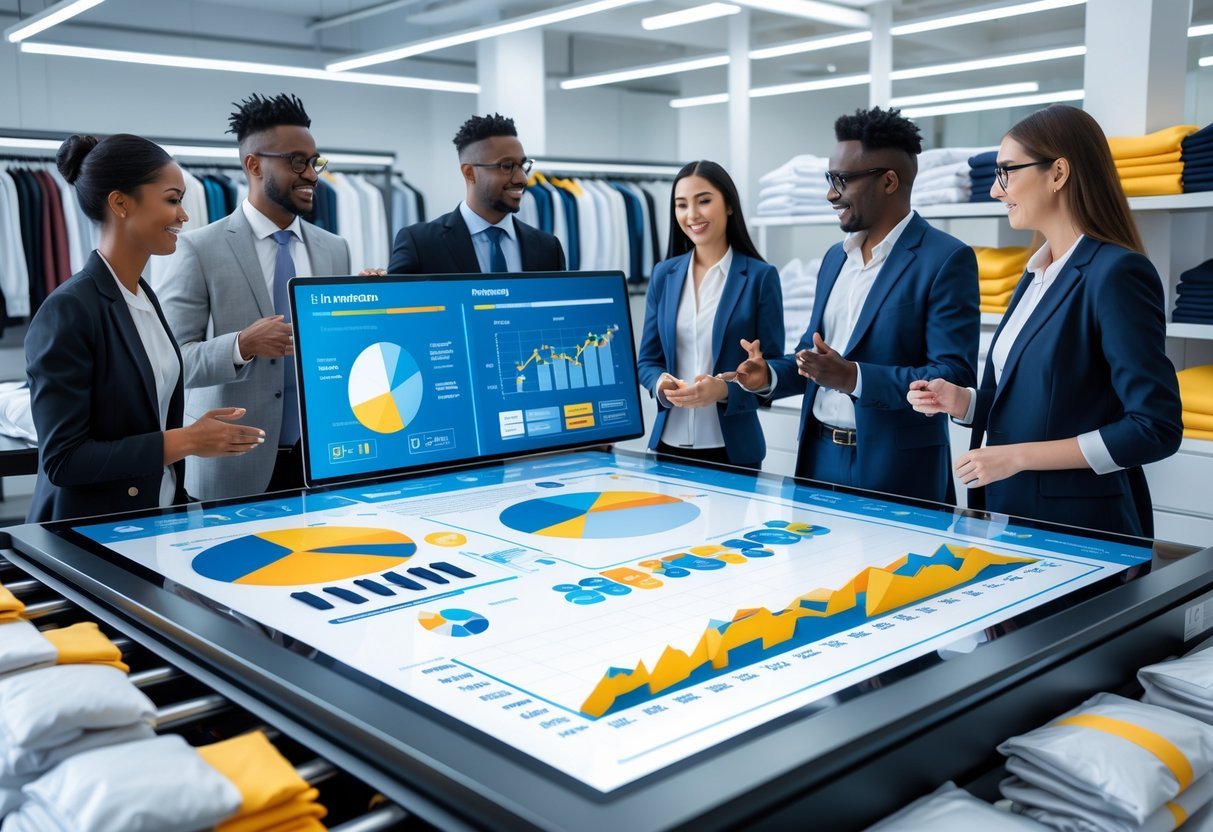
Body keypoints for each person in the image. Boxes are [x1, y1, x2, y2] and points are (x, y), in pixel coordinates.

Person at [907, 104, 1182, 537]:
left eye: (1008, 172)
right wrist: (964, 402)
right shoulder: (1037, 275)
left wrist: (1016, 457)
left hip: (1080, 528)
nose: (997, 191)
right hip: (1007, 513)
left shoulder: (1117, 273)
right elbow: (1048, 406)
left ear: (1058, 173)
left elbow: (1155, 429)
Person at [733, 107, 979, 503]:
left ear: (889, 181)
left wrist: (854, 378)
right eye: (830, 179)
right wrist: (769, 377)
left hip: (897, 469)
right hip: (817, 457)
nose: (831, 193)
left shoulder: (946, 258)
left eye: (842, 180)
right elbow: (816, 359)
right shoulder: (835, 258)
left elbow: (953, 372)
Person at [26, 134, 264, 522]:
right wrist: (187, 441)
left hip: (156, 518)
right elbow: (64, 460)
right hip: (93, 534)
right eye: (172, 200)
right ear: (120, 203)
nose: (184, 215)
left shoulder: (144, 297)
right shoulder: (69, 309)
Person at [156, 93, 351, 501]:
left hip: (323, 459)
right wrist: (241, 346)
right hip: (234, 463)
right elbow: (168, 363)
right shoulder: (199, 249)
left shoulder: (335, 249)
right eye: (297, 161)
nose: (312, 175)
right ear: (254, 164)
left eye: (315, 161)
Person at [636, 161, 783, 469]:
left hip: (733, 451)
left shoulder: (760, 277)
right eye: (681, 205)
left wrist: (725, 390)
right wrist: (660, 384)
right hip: (668, 445)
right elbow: (647, 361)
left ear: (729, 205)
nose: (692, 215)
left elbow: (773, 373)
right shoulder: (664, 275)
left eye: (704, 200)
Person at [386, 113, 565, 274]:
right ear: (469, 173)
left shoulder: (548, 248)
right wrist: (372, 286)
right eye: (507, 166)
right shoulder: (421, 244)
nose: (522, 179)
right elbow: (392, 304)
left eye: (523, 166)